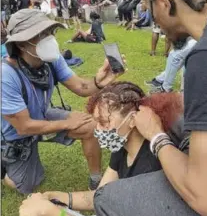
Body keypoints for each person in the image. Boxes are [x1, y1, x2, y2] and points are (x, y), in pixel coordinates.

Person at [91, 0, 207, 216]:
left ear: (163, 2)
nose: (153, 21)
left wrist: (156, 136)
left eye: (149, 9)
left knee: (108, 197)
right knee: (181, 122)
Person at [1, 9, 124, 195]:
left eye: (49, 32)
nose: (49, 38)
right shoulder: (6, 75)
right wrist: (66, 123)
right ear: (21, 43)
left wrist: (100, 82)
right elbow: (24, 126)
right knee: (27, 186)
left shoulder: (51, 60)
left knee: (90, 126)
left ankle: (96, 181)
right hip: (16, 132)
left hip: (42, 115)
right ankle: (3, 172)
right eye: (41, 34)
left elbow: (81, 87)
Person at [19, 81, 187, 216]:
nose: (97, 129)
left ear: (132, 119)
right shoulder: (123, 148)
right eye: (96, 121)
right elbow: (101, 196)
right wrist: (56, 196)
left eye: (104, 122)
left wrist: (51, 212)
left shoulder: (150, 168)